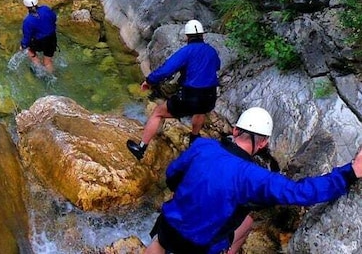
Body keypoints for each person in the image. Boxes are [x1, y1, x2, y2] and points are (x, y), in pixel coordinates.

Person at [143, 107, 362, 254]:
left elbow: (173, 176)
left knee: (161, 240)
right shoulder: (256, 177)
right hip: (201, 245)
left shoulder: (202, 146)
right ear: (264, 143)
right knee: (246, 223)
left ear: (236, 130)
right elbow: (300, 192)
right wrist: (349, 173)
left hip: (170, 228)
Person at [127, 19, 220, 160]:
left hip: (190, 96)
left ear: (187, 37)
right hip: (209, 96)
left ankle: (141, 148)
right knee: (200, 111)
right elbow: (217, 66)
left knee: (158, 113)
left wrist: (150, 81)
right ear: (202, 35)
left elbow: (167, 69)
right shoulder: (212, 51)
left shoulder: (187, 51)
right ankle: (194, 138)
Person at [20, 0, 57, 74]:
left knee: (30, 51)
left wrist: (23, 46)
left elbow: (27, 38)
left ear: (26, 6)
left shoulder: (28, 21)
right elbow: (54, 18)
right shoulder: (46, 9)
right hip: (52, 38)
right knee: (47, 62)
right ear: (37, 1)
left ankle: (39, 69)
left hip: (39, 42)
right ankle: (52, 76)